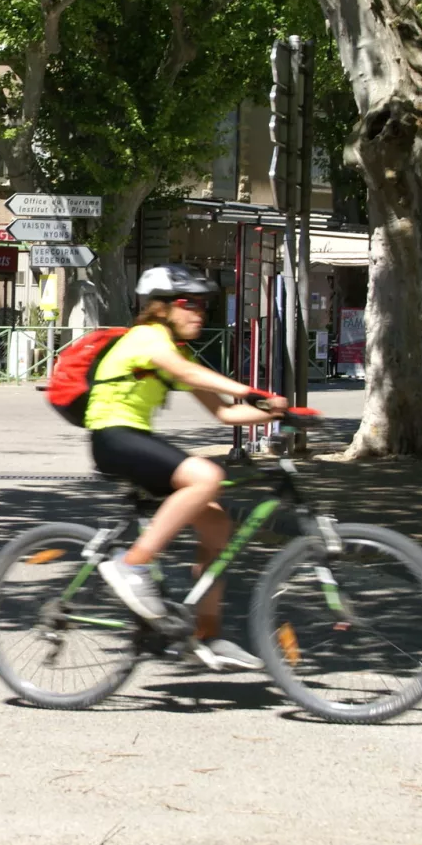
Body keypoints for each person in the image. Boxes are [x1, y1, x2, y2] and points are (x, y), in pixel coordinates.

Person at [72, 264, 286, 672]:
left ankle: (206, 635)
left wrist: (282, 414)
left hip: (136, 438)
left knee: (216, 525)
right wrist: (252, 390)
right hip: (113, 436)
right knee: (207, 476)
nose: (199, 313)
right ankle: (132, 565)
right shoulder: (147, 337)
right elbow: (188, 374)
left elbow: (224, 415)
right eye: (189, 304)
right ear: (160, 307)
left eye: (203, 306)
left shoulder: (177, 352)